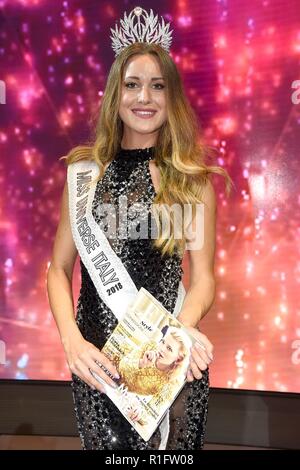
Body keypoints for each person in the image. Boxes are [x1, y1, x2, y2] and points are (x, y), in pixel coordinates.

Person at [47, 6, 233, 450]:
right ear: (116, 94)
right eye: (132, 85)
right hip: (101, 365)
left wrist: (180, 331)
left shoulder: (193, 181)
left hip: (170, 360)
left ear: (172, 98)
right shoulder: (85, 175)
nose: (144, 97)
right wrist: (72, 342)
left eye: (157, 86)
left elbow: (204, 278)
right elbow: (57, 269)